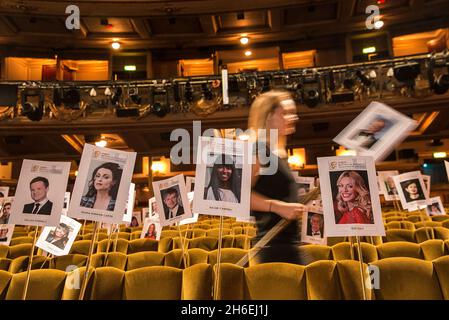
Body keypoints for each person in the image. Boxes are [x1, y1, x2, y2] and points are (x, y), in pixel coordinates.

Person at [248, 90, 307, 265]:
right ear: (269, 117)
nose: (293, 117)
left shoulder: (278, 153)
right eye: (286, 113)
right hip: (272, 247)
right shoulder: (259, 151)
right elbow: (241, 196)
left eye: (293, 113)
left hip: (288, 244)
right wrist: (278, 206)